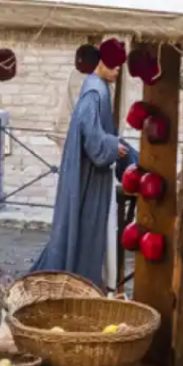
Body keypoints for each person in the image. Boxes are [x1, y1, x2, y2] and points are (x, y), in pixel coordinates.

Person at [32, 56, 129, 287]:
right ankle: (79, 285)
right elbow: (93, 140)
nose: (117, 70)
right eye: (114, 65)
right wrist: (114, 147)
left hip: (87, 172)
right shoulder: (95, 92)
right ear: (100, 63)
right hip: (88, 176)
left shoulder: (97, 87)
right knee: (84, 230)